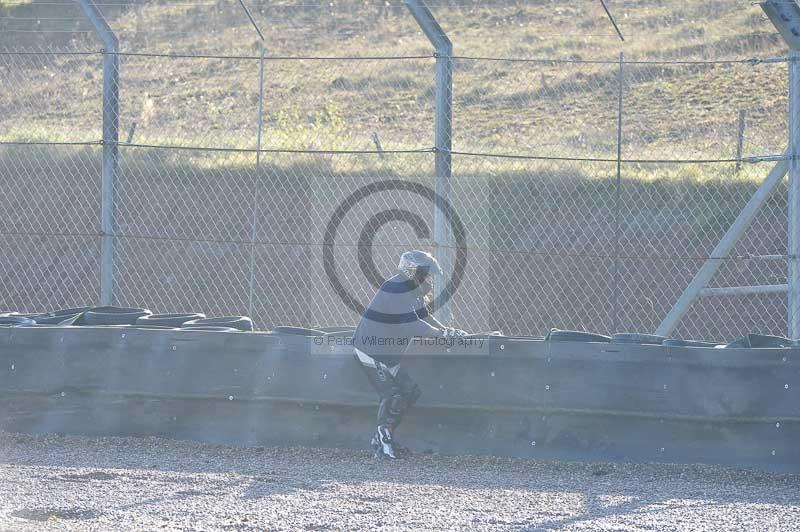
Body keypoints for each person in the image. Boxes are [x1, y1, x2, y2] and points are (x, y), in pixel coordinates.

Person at [352, 250, 468, 459]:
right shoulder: (396, 287)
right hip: (371, 350)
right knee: (393, 397)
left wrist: (446, 331)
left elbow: (423, 316)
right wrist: (441, 334)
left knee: (410, 392)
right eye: (425, 274)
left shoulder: (411, 291)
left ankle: (382, 438)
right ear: (413, 271)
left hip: (388, 354)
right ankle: (384, 445)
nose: (428, 279)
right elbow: (410, 324)